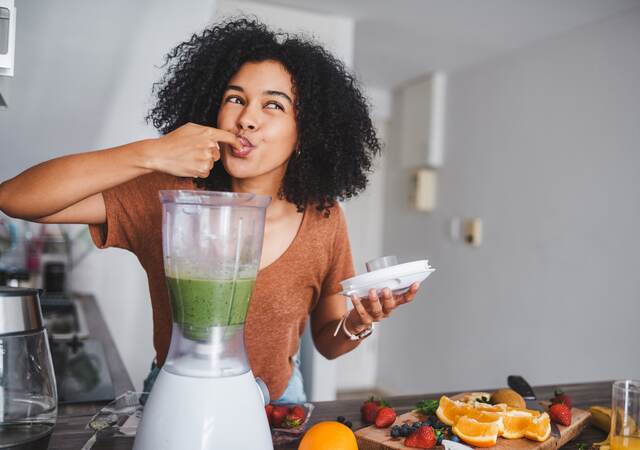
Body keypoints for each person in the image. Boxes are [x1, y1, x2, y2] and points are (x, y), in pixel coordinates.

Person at [0, 18, 421, 404]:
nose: (246, 119)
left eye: (273, 105)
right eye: (235, 98)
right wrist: (152, 153)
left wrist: (359, 321)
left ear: (306, 131)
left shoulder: (324, 219)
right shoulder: (168, 197)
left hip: (279, 408)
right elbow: (15, 197)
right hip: (175, 399)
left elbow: (329, 343)